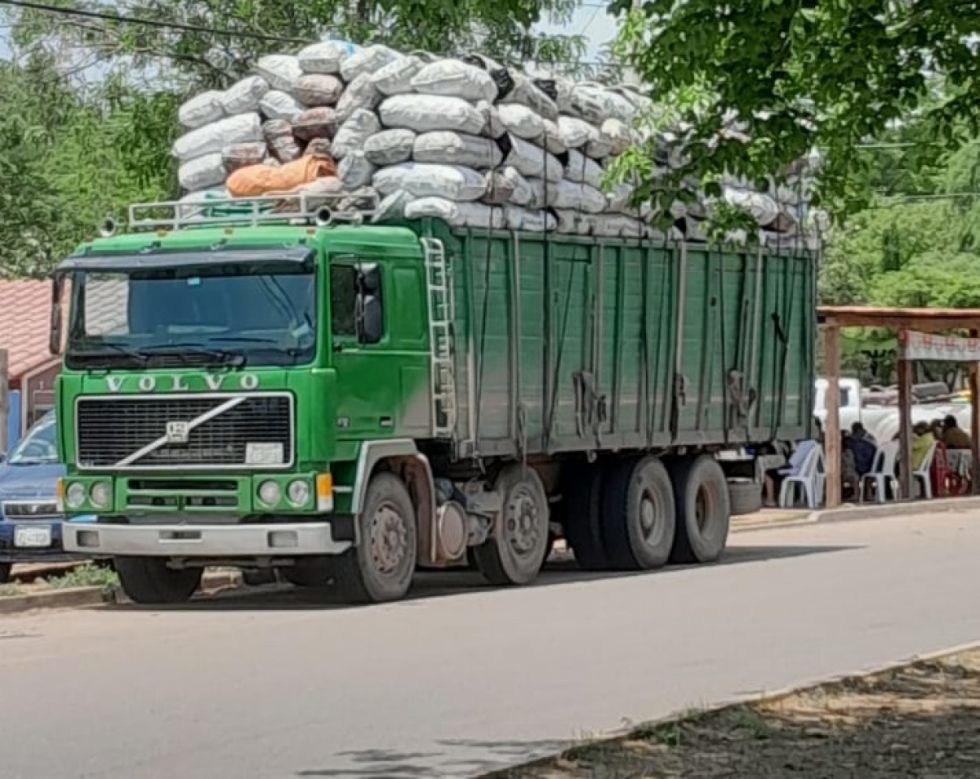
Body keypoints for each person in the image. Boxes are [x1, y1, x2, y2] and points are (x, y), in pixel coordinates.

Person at [764, 419, 822, 506]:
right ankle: (781, 498)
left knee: (768, 472)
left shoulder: (804, 444)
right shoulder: (813, 443)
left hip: (796, 471)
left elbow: (792, 463)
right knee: (777, 471)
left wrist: (784, 464)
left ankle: (770, 500)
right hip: (804, 471)